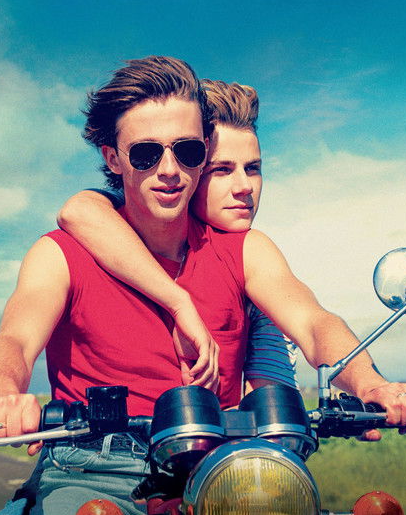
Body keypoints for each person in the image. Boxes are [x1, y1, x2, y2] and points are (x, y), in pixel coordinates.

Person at [0, 57, 406, 515]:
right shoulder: (60, 253)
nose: (170, 170)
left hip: (221, 473)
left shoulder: (244, 250)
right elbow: (14, 341)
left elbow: (314, 321)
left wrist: (372, 384)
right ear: (112, 158)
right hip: (94, 466)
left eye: (188, 151)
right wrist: (3, 394)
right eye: (146, 153)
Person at [58, 78, 299, 393]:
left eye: (253, 168)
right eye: (221, 170)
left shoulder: (251, 254)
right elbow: (79, 210)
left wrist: (362, 379)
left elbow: (311, 329)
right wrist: (179, 301)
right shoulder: (115, 216)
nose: (244, 188)